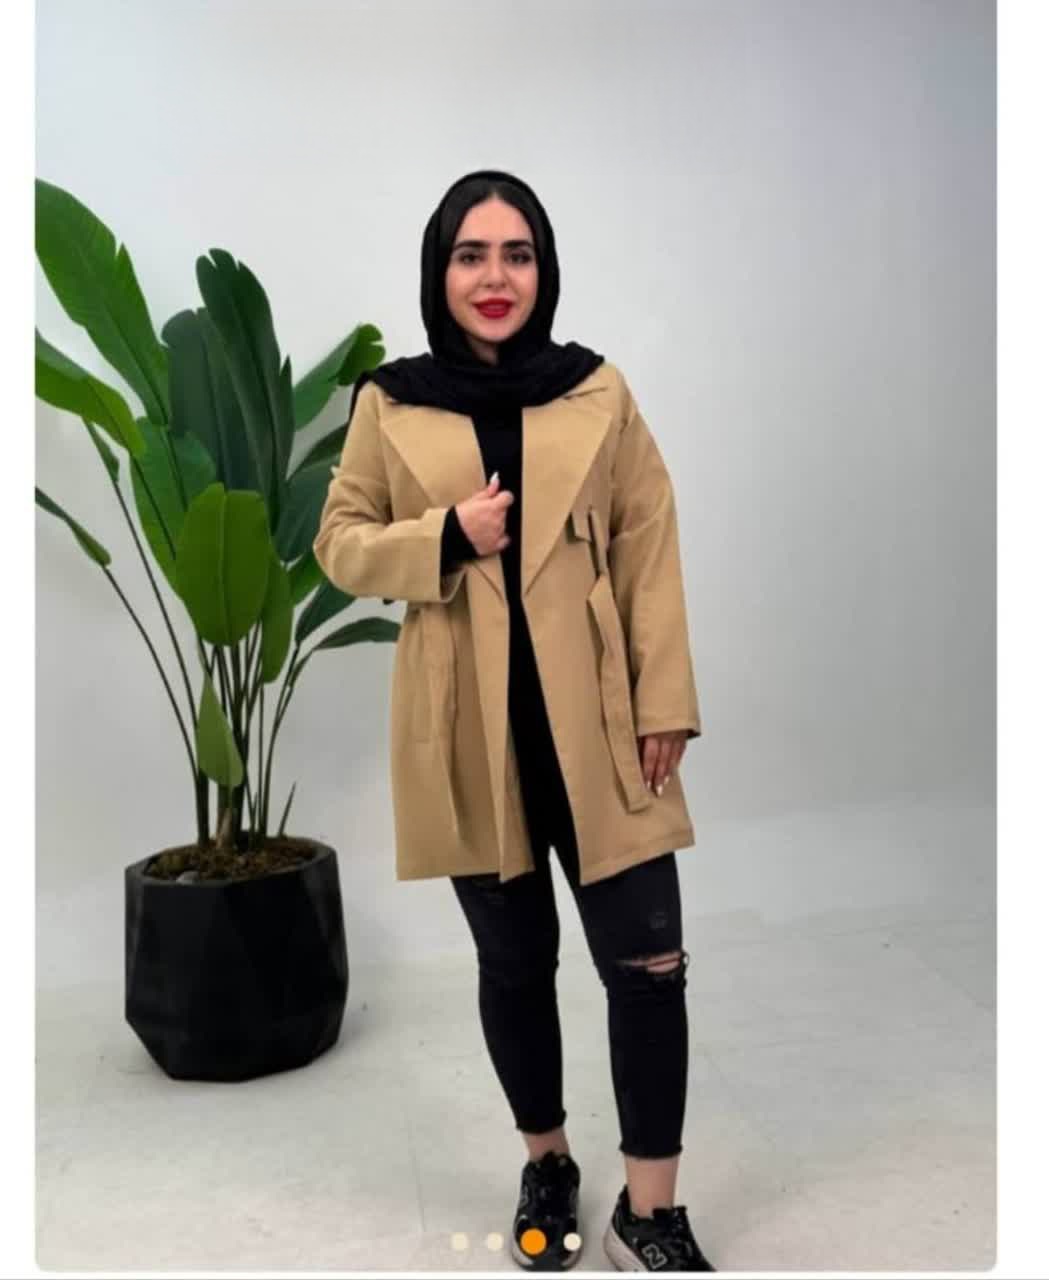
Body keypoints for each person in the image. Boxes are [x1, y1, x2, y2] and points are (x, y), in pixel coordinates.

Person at [335, 169, 713, 1272]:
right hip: (468, 730)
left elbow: (647, 538)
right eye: (470, 254)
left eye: (516, 253)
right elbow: (340, 542)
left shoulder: (596, 390)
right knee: (515, 965)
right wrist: (446, 535)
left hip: (600, 723)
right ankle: (547, 1160)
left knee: (649, 963)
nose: (493, 276)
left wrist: (664, 701)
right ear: (438, 270)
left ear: (543, 268)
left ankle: (651, 1209)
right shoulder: (390, 402)